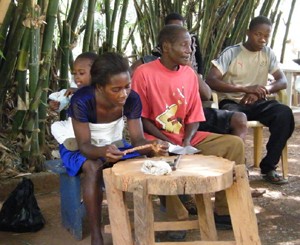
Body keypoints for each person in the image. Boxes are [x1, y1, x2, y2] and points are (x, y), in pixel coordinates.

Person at [131, 24, 245, 230]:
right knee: (161, 161)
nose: (190, 50)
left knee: (234, 144)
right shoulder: (143, 73)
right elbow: (141, 117)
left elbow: (194, 114)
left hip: (183, 137)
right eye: (184, 45)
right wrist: (163, 140)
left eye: (190, 45)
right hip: (153, 137)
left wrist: (187, 140)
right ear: (166, 47)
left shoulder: (189, 74)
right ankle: (177, 218)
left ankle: (223, 209)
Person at [64, 52, 169, 245]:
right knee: (92, 167)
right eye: (116, 89)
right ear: (100, 87)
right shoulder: (81, 100)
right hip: (80, 147)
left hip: (115, 144)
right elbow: (85, 147)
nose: (123, 94)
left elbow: (137, 139)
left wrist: (151, 147)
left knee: (147, 162)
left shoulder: (132, 99)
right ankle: (97, 235)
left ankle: (152, 223)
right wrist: (103, 152)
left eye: (127, 86)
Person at [206, 15, 295, 185]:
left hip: (257, 101)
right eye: (258, 34)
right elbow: (211, 80)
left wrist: (262, 90)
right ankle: (237, 167)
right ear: (248, 33)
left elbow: (282, 81)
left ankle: (269, 166)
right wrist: (245, 88)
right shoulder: (232, 52)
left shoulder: (268, 53)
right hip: (232, 101)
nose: (262, 39)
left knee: (284, 114)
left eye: (266, 36)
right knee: (231, 120)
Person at [150, 12, 248, 140]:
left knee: (239, 119)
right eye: (174, 32)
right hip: (166, 119)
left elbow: (206, 95)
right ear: (165, 44)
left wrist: (190, 69)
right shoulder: (148, 65)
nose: (189, 50)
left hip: (192, 116)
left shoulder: (188, 65)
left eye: (182, 31)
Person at [51, 52, 98, 149]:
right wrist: (56, 104)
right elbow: (62, 100)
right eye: (74, 73)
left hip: (91, 128)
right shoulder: (73, 88)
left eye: (81, 73)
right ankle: (70, 143)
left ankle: (82, 143)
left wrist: (78, 91)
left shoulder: (100, 89)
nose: (77, 77)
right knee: (56, 126)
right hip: (72, 127)